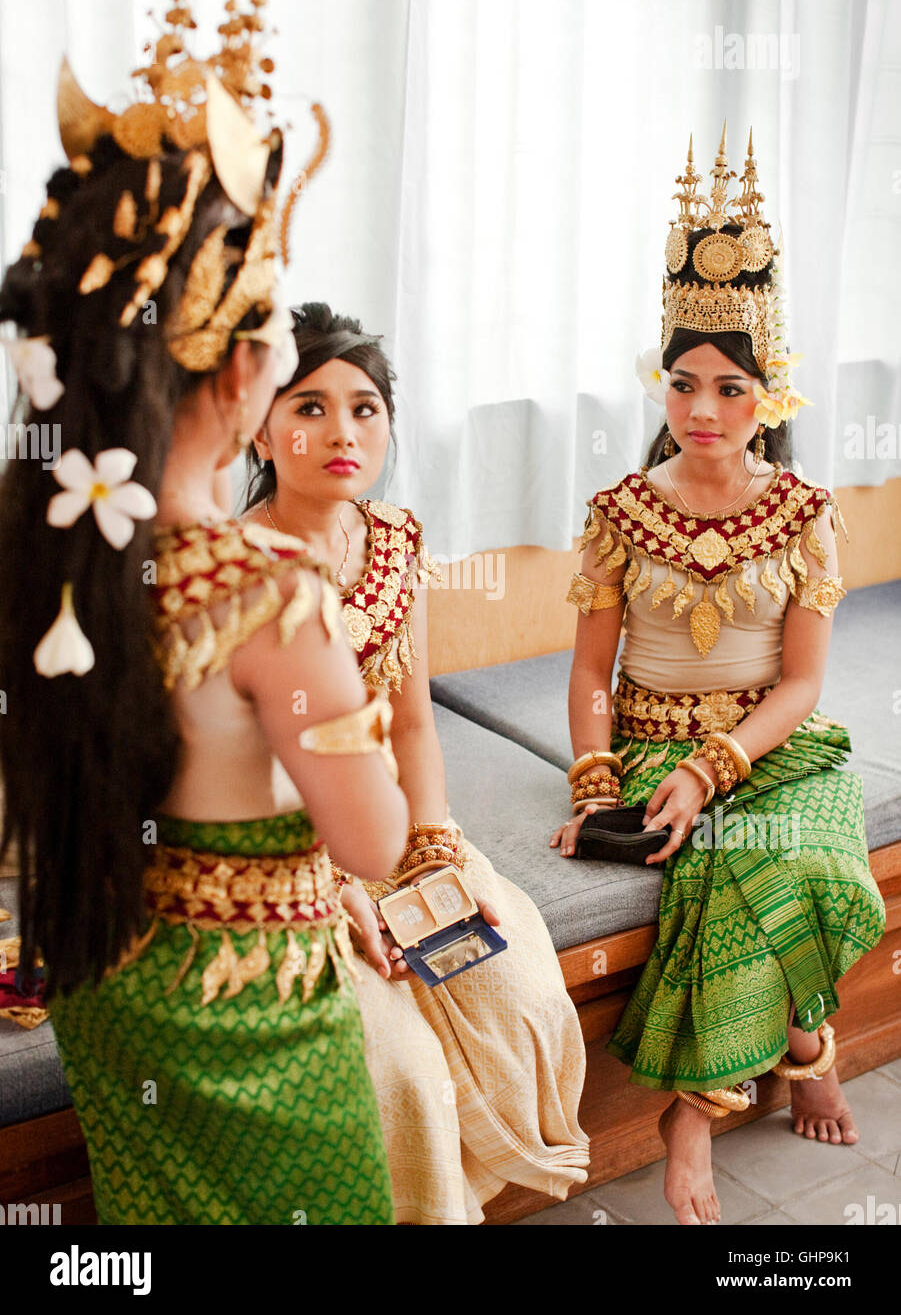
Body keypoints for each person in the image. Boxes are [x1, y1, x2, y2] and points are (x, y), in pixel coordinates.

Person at [0, 0, 408, 1225]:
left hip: (106, 966)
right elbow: (374, 843)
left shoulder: (36, 540)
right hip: (254, 1001)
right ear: (240, 374)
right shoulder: (271, 593)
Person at [551, 129, 885, 1226]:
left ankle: (719, 1094)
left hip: (773, 745)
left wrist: (715, 768)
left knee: (787, 855)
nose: (701, 410)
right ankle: (759, 1073)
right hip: (645, 741)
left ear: (769, 393)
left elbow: (800, 686)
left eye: (729, 387)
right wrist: (597, 783)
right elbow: (590, 673)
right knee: (722, 868)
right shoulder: (617, 513)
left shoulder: (806, 516)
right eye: (683, 383)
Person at [241, 301, 590, 1225]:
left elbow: (411, 723)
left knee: (518, 995)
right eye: (308, 407)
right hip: (275, 854)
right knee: (402, 1072)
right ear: (261, 430)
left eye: (364, 407)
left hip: (394, 826)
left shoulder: (394, 538)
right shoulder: (230, 568)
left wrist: (435, 846)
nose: (340, 431)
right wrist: (322, 886)